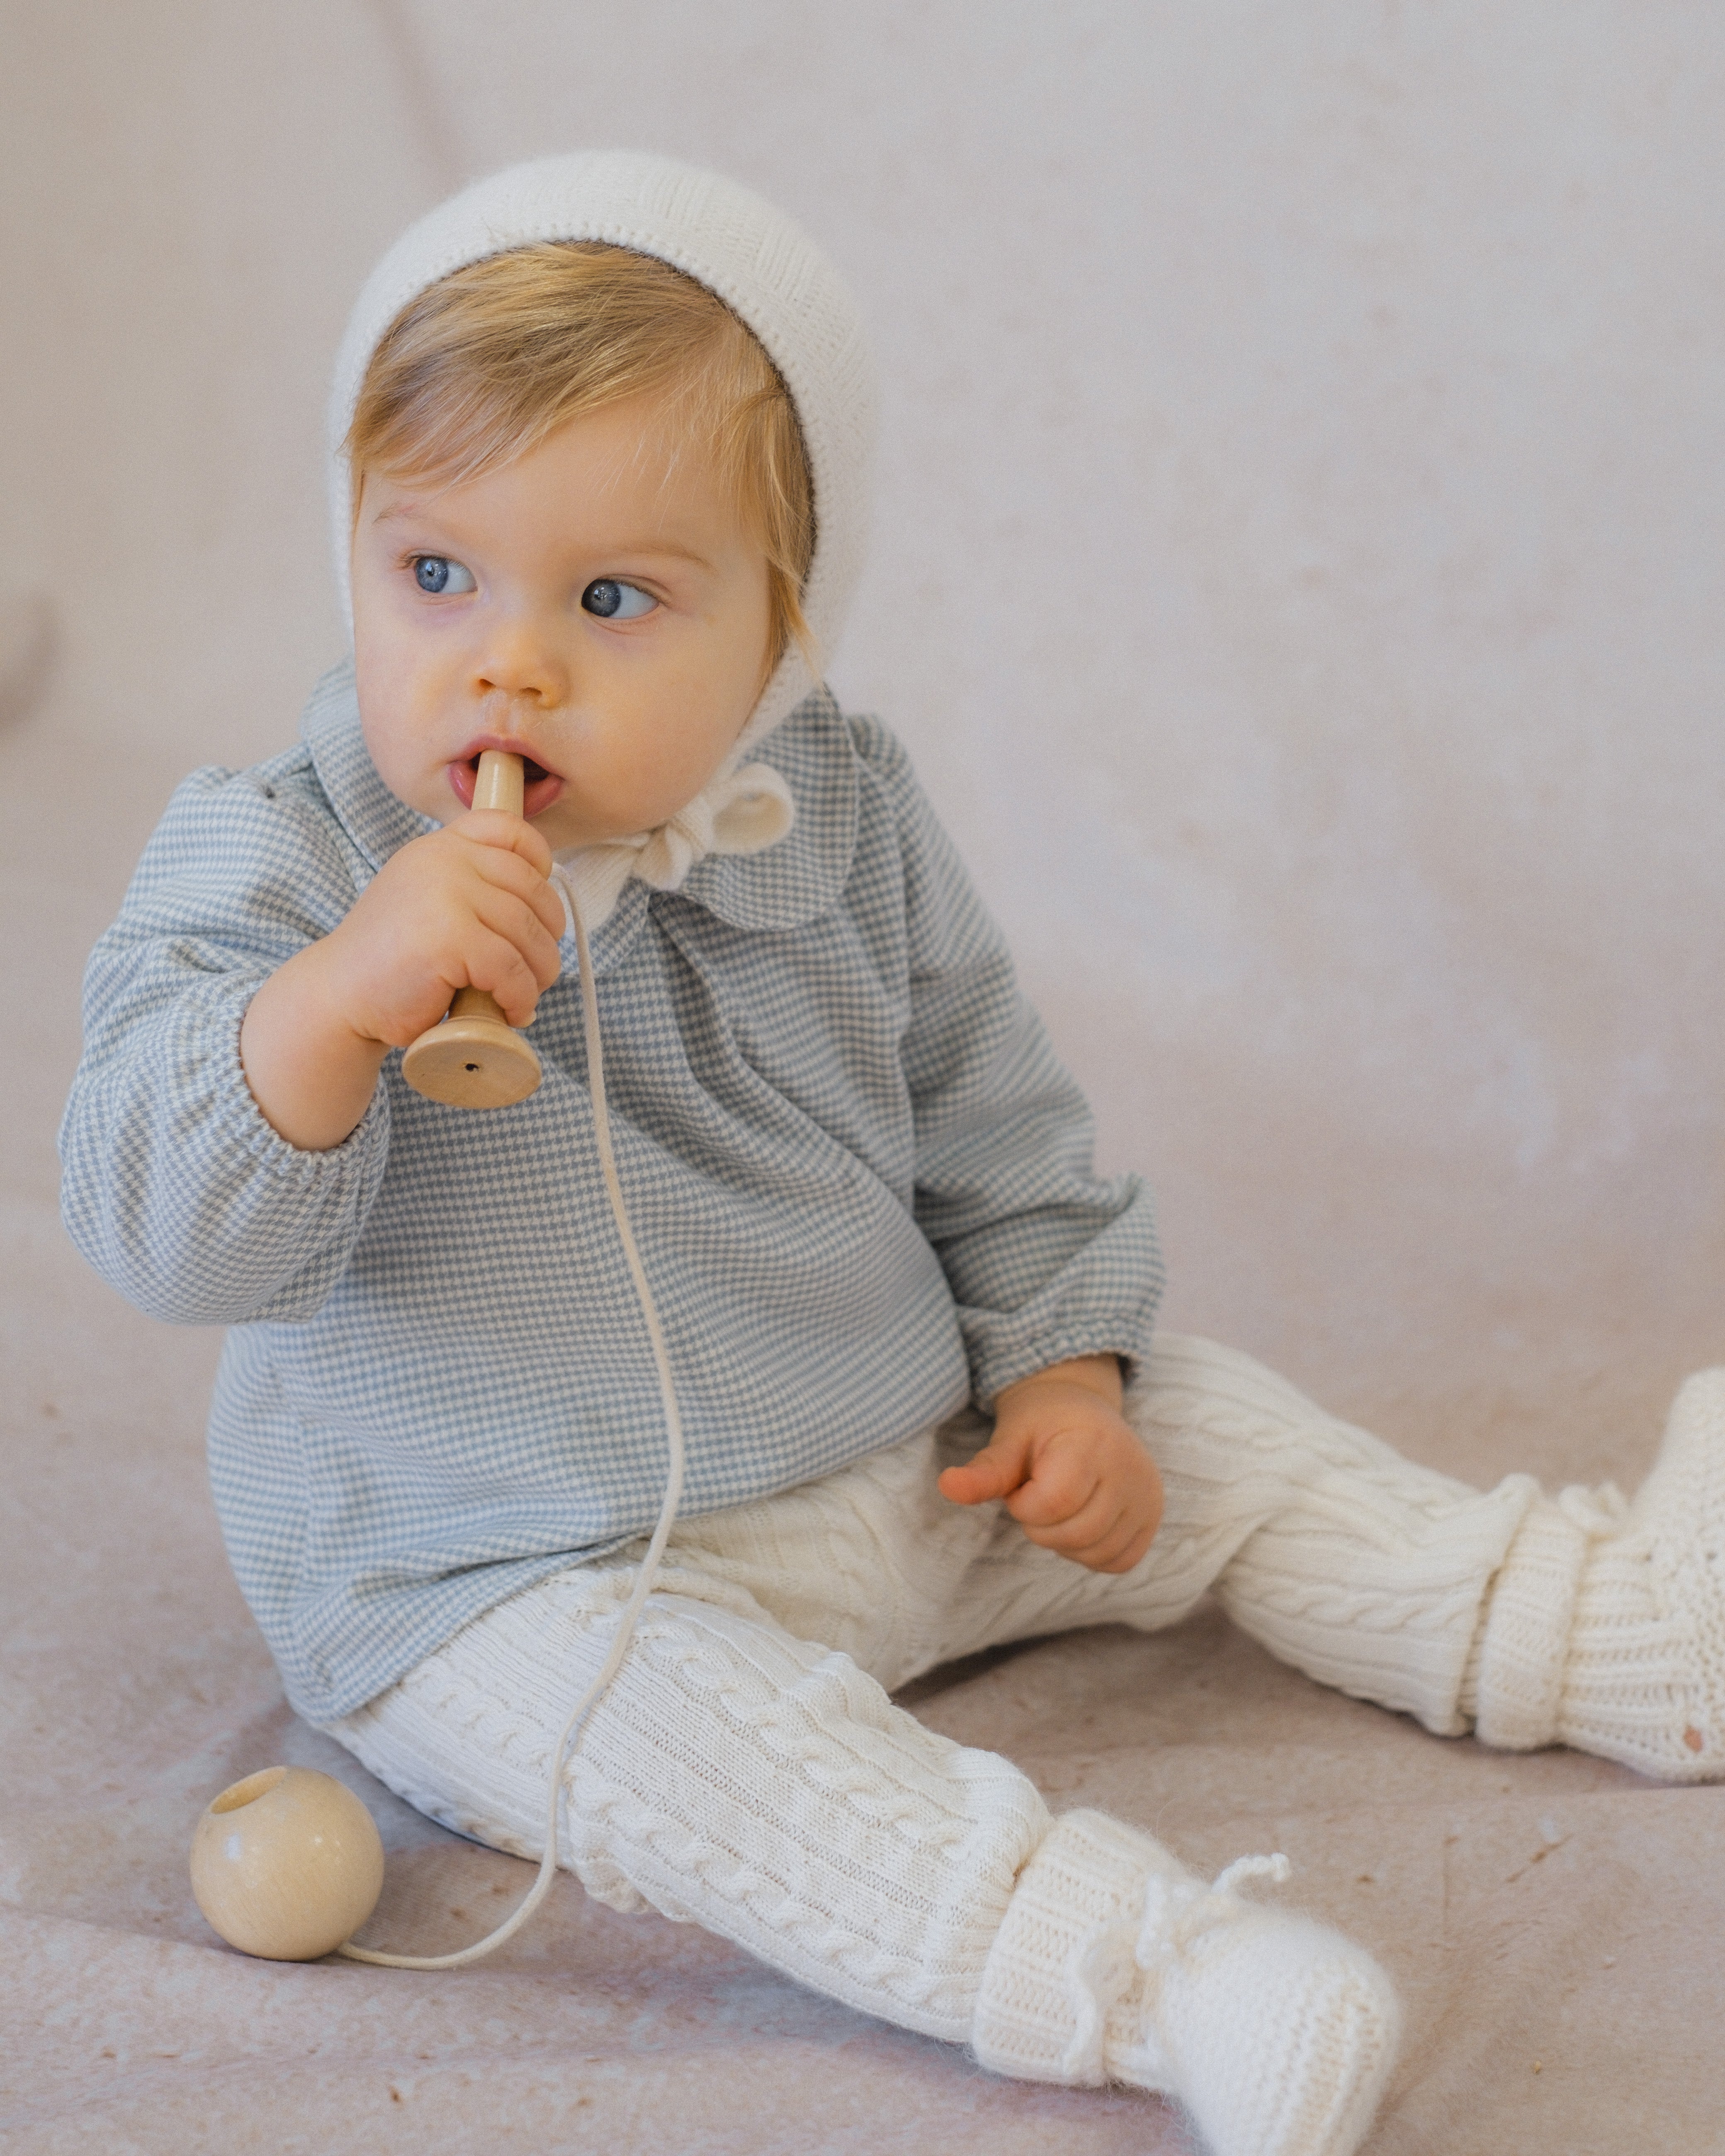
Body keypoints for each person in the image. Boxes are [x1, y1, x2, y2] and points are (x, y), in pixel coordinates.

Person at [58, 153, 1725, 2156]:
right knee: (712, 1762)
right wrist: (326, 1010)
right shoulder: (282, 859)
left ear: (785, 625)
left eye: (611, 599)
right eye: (434, 576)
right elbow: (159, 1231)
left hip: (900, 1461)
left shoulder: (834, 807)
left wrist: (1061, 1372)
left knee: (1215, 1431)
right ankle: (1160, 1977)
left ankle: (1603, 1628)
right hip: (507, 1569)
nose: (505, 666)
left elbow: (985, 1106)